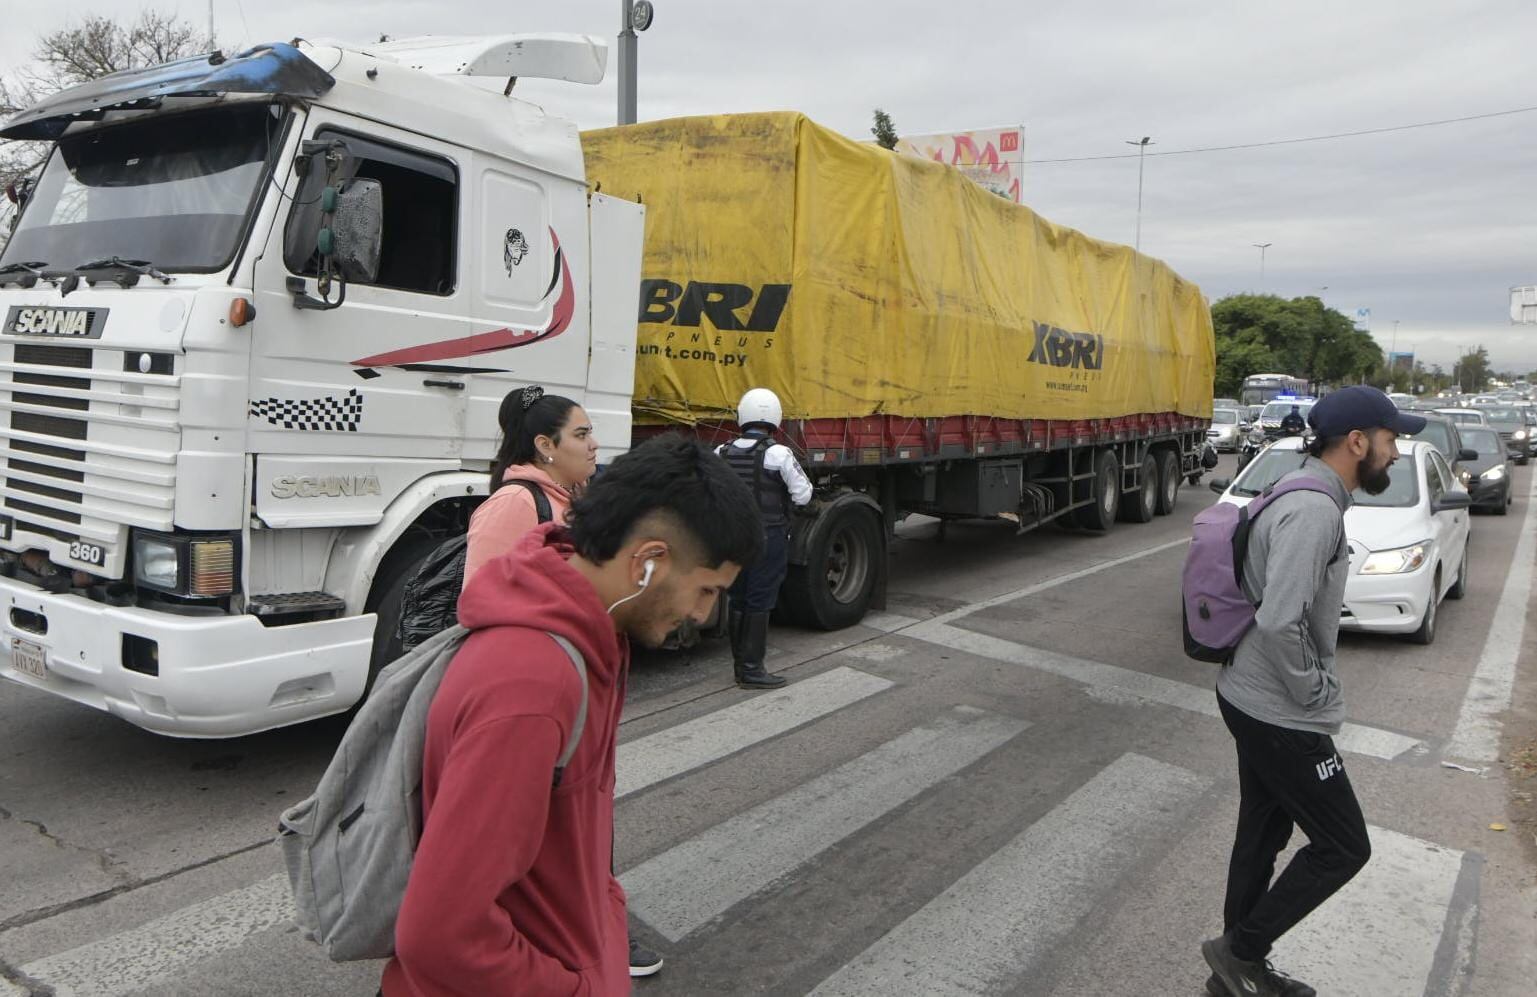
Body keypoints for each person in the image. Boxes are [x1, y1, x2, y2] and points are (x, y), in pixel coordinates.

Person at [382, 435, 762, 997]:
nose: (703, 614)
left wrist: (605, 935)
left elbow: (575, 857)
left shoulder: (593, 637)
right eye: (705, 589)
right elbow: (441, 934)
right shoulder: (531, 683)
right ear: (648, 561)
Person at [1202, 386, 1424, 997]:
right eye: (1390, 439)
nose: (1397, 452)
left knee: (1264, 832)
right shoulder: (1314, 510)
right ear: (1358, 442)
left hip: (1250, 693)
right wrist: (1317, 694)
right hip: (1277, 708)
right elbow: (1279, 619)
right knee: (1343, 846)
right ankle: (1241, 952)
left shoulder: (1304, 490)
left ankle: (1234, 976)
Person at [716, 388, 813, 689]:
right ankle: (753, 670)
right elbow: (803, 493)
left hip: (733, 536)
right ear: (775, 418)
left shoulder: (722, 451)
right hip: (767, 536)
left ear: (742, 416)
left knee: (738, 598)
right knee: (760, 599)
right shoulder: (778, 453)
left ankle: (739, 668)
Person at [462, 386, 596, 591]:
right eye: (581, 435)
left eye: (590, 434)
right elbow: (482, 597)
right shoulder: (514, 502)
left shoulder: (581, 496)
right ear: (545, 445)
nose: (594, 444)